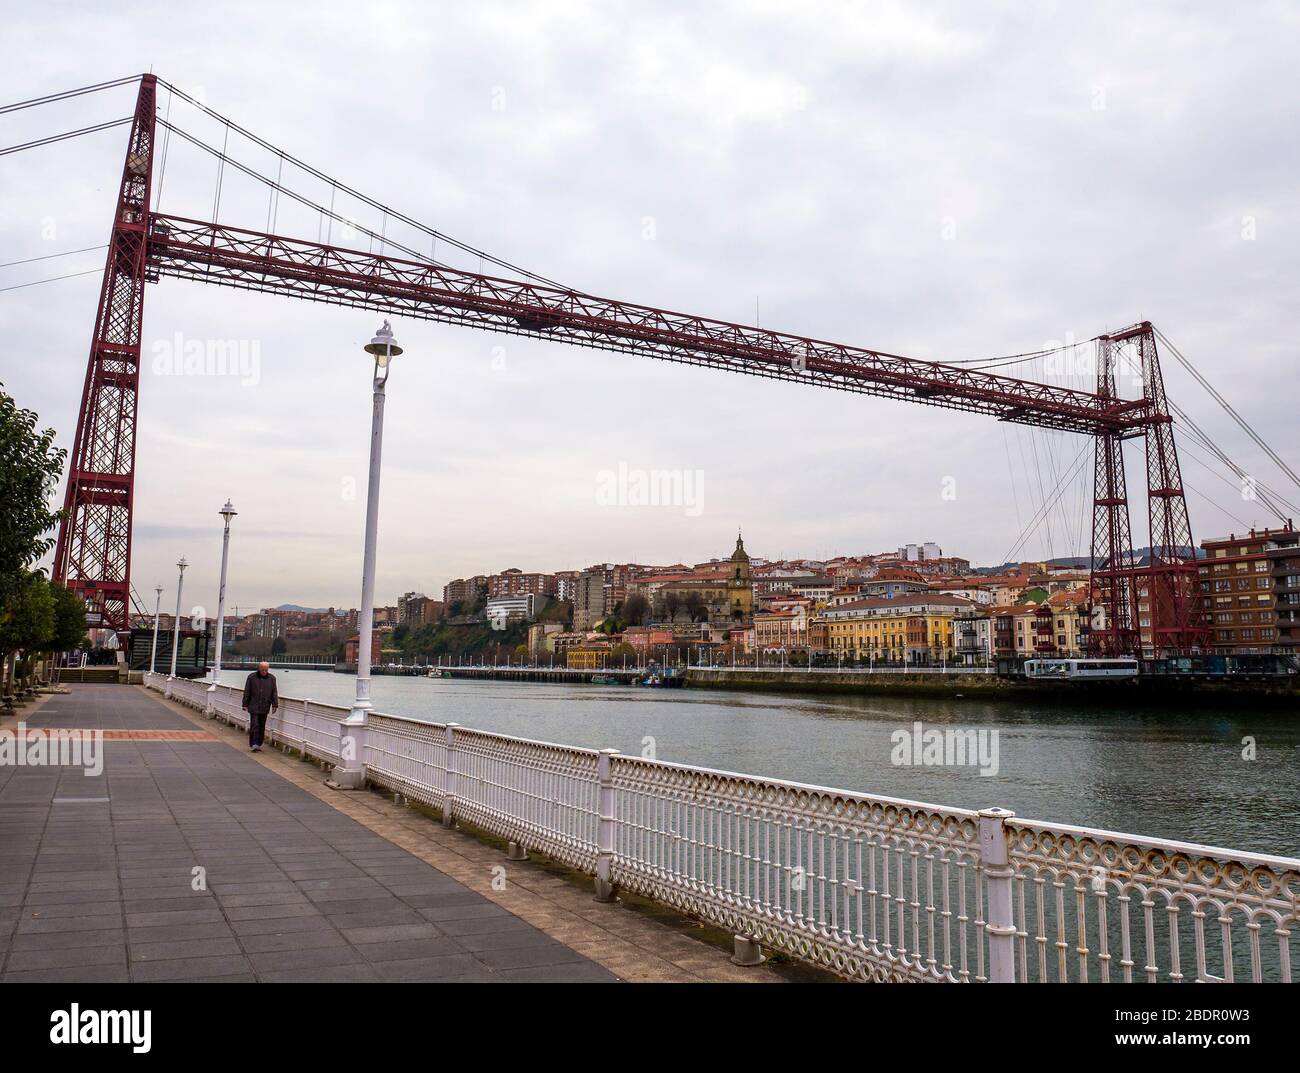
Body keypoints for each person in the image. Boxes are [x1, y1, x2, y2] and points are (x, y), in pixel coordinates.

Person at [241, 661, 279, 752]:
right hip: (253, 705)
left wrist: (275, 705)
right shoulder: (251, 677)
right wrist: (245, 704)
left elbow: (274, 692)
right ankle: (254, 743)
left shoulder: (272, 678)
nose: (264, 672)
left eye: (266, 670)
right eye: (262, 670)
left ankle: (258, 743)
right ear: (259, 668)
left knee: (262, 725)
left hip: (265, 706)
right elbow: (247, 691)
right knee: (254, 724)